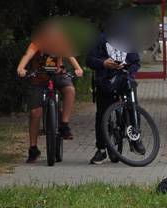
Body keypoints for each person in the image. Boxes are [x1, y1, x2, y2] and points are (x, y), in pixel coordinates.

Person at [16, 24, 84, 163]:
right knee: (35, 113)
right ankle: (33, 149)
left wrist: (78, 69)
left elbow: (71, 57)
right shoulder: (37, 43)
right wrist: (21, 68)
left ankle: (64, 124)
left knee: (70, 90)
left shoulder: (62, 42)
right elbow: (27, 55)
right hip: (39, 78)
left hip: (57, 75)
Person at [86, 26, 141, 164]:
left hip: (124, 78)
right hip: (105, 81)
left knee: (133, 103)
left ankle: (135, 137)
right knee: (102, 114)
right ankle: (101, 149)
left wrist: (129, 69)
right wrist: (103, 63)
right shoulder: (100, 39)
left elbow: (136, 62)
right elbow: (90, 60)